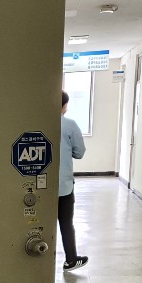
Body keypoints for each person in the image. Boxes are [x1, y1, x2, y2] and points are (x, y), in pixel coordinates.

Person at [59, 90, 88, 271]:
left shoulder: (35, 122)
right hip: (63, 185)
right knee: (66, 223)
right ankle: (71, 259)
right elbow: (79, 152)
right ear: (64, 106)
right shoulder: (69, 125)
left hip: (37, 185)